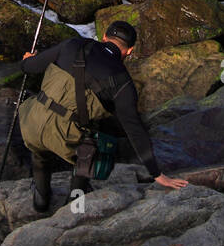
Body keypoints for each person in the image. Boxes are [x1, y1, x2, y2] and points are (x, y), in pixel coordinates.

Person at [15, 19, 188, 211]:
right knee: (91, 149)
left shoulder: (72, 44)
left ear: (104, 37)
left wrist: (27, 59)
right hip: (64, 138)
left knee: (39, 150)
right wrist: (158, 175)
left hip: (30, 123)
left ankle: (40, 200)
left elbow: (28, 67)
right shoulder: (123, 83)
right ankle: (74, 202)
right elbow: (135, 130)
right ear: (130, 51)